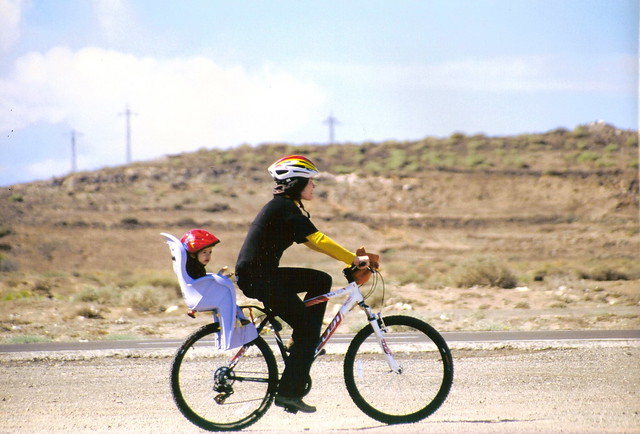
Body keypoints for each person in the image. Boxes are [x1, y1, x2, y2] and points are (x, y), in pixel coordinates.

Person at [235, 155, 377, 414]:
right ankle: (289, 392)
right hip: (260, 279)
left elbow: (311, 242)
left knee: (320, 280)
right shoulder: (284, 208)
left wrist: (347, 260)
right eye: (310, 181)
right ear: (295, 183)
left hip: (261, 275)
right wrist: (354, 259)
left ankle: (300, 341)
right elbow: (318, 239)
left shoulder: (286, 208)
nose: (314, 186)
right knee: (309, 333)